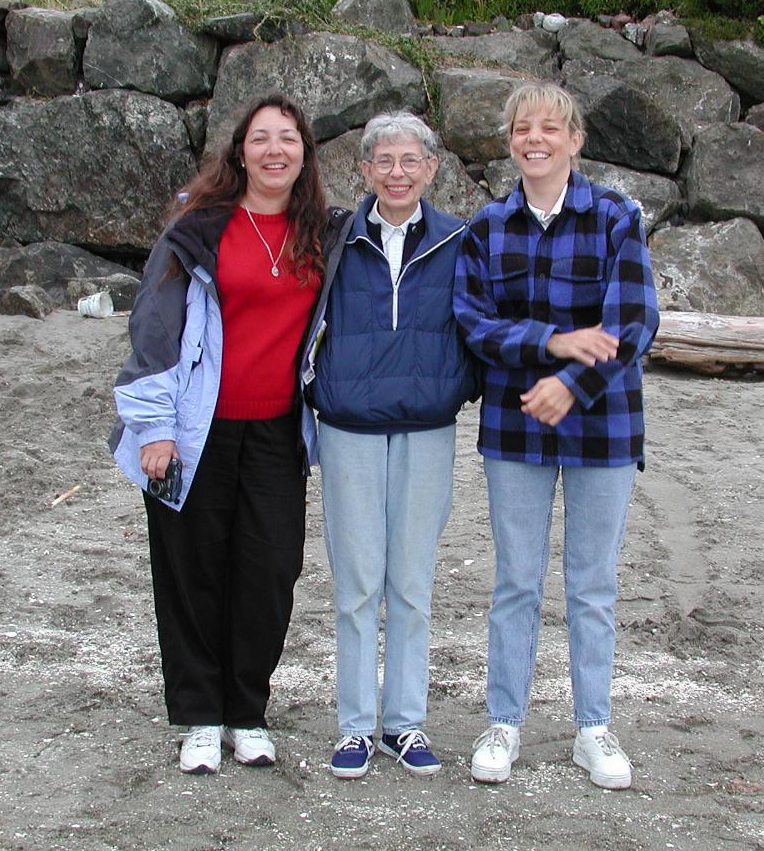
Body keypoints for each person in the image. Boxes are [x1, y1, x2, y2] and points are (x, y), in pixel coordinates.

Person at [110, 93, 351, 776]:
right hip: (193, 431)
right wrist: (154, 429)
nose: (275, 150)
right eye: (261, 138)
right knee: (191, 573)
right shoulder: (197, 228)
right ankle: (198, 716)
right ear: (239, 151)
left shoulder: (323, 233)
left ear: (304, 153)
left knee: (269, 572)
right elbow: (153, 329)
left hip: (278, 431)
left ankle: (247, 712)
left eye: (288, 139)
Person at [453, 82, 659, 790]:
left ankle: (592, 728)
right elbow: (476, 325)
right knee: (515, 581)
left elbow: (633, 325)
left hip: (603, 423)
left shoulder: (615, 218)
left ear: (574, 141)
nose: (533, 139)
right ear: (509, 140)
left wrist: (570, 383)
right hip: (516, 425)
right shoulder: (487, 227)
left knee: (592, 585)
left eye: (549, 128)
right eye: (521, 128)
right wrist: (556, 342)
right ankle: (504, 722)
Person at [307, 112, 478, 779]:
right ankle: (354, 725)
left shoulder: (459, 242)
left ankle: (403, 724)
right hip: (348, 426)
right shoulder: (336, 239)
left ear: (433, 169)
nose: (398, 172)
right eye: (385, 161)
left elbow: (478, 327)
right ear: (365, 170)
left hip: (427, 428)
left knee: (410, 584)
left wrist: (457, 387)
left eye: (411, 161)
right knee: (355, 585)